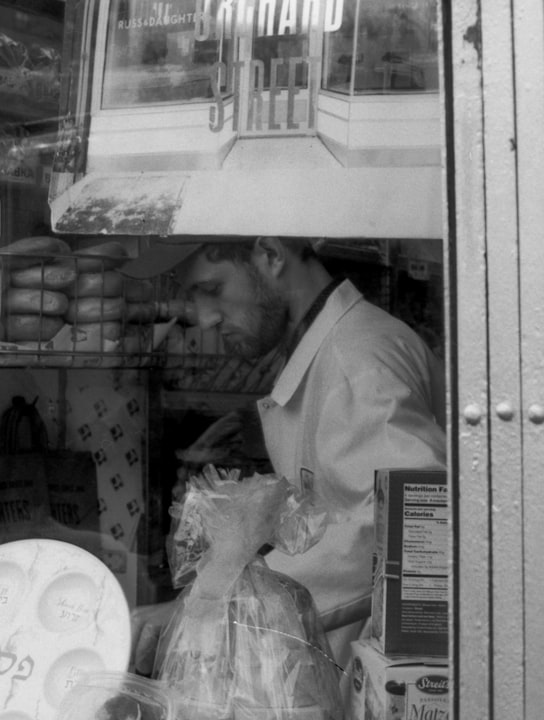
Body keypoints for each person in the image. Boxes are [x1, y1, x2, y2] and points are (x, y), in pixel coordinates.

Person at [123, 236, 446, 673]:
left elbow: (404, 534)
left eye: (212, 289)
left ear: (271, 255)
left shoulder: (357, 363)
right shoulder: (333, 350)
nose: (203, 317)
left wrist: (212, 610)